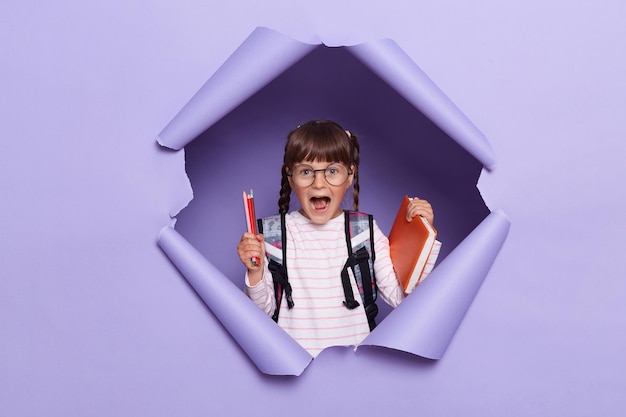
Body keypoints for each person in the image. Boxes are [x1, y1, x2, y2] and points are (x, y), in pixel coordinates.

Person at [237, 120, 436, 357]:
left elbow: (402, 299)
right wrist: (255, 272)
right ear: (291, 178)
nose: (318, 183)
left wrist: (422, 238)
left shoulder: (364, 230)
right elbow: (263, 313)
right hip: (294, 366)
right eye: (306, 172)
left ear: (349, 175)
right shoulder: (272, 235)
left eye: (332, 171)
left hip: (355, 371)